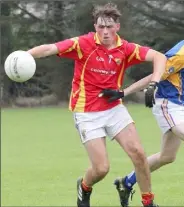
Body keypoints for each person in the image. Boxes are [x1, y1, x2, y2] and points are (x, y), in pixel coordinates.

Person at [26, 3, 167, 207]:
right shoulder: (83, 44)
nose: (105, 31)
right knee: (101, 169)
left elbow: (159, 57)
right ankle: (84, 187)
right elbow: (50, 48)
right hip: (86, 112)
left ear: (117, 26)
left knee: (138, 153)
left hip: (114, 108)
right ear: (95, 26)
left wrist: (154, 83)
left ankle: (148, 202)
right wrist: (25, 55)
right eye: (101, 27)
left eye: (109, 27)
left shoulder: (125, 48)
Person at [100, 13, 184, 206]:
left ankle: (126, 182)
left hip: (180, 107)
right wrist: (123, 93)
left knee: (167, 156)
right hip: (167, 106)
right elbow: (155, 74)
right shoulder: (183, 53)